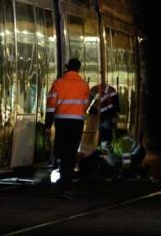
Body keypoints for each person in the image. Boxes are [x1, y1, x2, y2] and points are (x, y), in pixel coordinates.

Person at [44, 58, 90, 199]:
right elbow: (85, 105)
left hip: (61, 122)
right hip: (76, 123)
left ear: (67, 67)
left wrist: (48, 125)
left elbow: (51, 106)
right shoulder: (84, 85)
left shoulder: (58, 83)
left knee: (61, 151)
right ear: (78, 69)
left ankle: (58, 183)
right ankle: (67, 186)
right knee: (70, 154)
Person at [89, 82, 120, 147]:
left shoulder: (95, 90)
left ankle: (102, 145)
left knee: (104, 131)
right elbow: (115, 105)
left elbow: (93, 104)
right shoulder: (110, 91)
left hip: (105, 116)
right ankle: (105, 145)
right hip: (107, 115)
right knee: (106, 131)